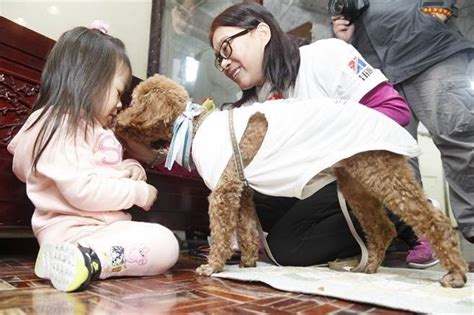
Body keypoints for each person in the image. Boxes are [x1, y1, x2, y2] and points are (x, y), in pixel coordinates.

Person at [207, 2, 438, 268]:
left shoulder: (325, 55)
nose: (224, 63)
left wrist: (326, 141)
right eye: (218, 58)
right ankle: (374, 233)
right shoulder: (251, 105)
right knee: (270, 224)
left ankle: (413, 219)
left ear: (262, 32)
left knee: (287, 247)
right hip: (321, 187)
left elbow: (395, 111)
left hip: (362, 171)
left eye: (226, 47)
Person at [7, 25, 179, 293]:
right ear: (89, 80)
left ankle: (80, 261)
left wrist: (131, 167)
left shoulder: (90, 129)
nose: (120, 105)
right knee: (165, 243)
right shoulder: (59, 125)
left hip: (98, 231)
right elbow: (83, 190)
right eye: (117, 92)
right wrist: (137, 192)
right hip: (73, 234)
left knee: (164, 242)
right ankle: (86, 258)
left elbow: (98, 169)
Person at [332, 0, 474, 244]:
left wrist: (435, 12)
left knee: (458, 140)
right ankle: (419, 236)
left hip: (429, 51)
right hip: (379, 72)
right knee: (395, 157)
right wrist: (343, 33)